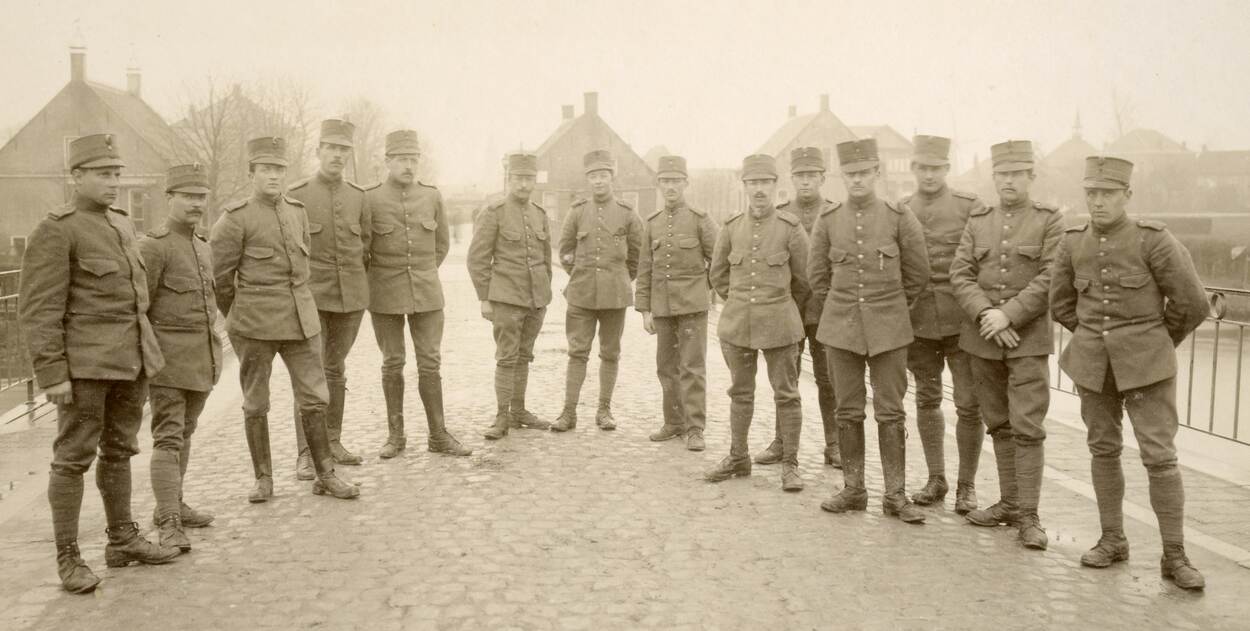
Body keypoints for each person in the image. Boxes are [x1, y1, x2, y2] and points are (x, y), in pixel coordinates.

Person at [19, 133, 178, 593]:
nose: (113, 182)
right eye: (103, 174)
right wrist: (52, 373)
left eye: (116, 173)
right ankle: (68, 558)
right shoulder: (57, 229)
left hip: (131, 362)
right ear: (77, 177)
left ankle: (122, 538)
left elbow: (136, 299)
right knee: (72, 460)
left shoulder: (123, 225)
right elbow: (39, 309)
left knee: (121, 450)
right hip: (85, 369)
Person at [1051, 155, 1209, 589]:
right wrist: (1093, 343)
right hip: (1093, 367)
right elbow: (1061, 304)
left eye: (1107, 194)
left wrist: (1154, 344)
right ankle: (1112, 539)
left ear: (1127, 196)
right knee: (1103, 449)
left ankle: (1174, 556)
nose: (1098, 202)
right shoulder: (1072, 242)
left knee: (1160, 458)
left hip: (1148, 369)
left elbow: (1193, 303)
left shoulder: (1154, 241)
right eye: (1092, 193)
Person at [210, 136, 360, 502]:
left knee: (315, 397)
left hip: (301, 322)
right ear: (252, 174)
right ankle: (263, 479)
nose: (274, 176)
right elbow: (221, 281)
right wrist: (241, 317)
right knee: (256, 402)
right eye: (266, 170)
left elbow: (302, 268)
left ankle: (325, 473)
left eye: (279, 169)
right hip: (255, 326)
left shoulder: (296, 210)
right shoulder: (235, 219)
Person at [950, 139, 1063, 549]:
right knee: (998, 423)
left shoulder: (1050, 220)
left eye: (1016, 174)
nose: (1008, 181)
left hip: (1028, 341)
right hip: (983, 341)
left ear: (1031, 177)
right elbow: (959, 274)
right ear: (993, 177)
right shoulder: (979, 219)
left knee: (1027, 427)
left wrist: (1009, 314)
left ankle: (1029, 516)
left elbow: (1052, 276)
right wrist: (987, 315)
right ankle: (1010, 502)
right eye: (1002, 174)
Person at [810, 139, 929, 523]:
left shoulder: (899, 217)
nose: (857, 180)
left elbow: (917, 274)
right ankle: (854, 489)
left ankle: (895, 495)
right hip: (841, 330)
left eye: (864, 173)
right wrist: (847, 310)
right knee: (847, 409)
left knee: (890, 412)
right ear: (841, 176)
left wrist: (889, 310)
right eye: (851, 174)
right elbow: (818, 278)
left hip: (889, 332)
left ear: (877, 173)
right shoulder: (828, 221)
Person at [704, 154, 809, 492]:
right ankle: (738, 457)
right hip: (738, 326)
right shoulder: (732, 227)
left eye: (765, 182)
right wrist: (738, 303)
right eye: (753, 183)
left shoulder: (791, 228)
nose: (759, 189)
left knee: (787, 395)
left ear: (775, 186)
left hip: (780, 324)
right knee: (740, 393)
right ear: (745, 186)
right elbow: (718, 275)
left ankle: (790, 464)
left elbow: (806, 281)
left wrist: (781, 306)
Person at [365, 130, 472, 458]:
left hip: (426, 294)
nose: (409, 166)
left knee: (430, 362)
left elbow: (440, 245)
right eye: (401, 160)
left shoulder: (431, 196)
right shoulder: (370, 198)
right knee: (392, 362)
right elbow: (364, 250)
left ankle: (438, 435)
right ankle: (396, 436)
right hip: (385, 295)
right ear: (387, 162)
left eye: (413, 160)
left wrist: (422, 273)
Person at [138, 163, 224, 551]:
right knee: (169, 437)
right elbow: (139, 308)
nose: (196, 204)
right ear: (169, 198)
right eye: (188, 196)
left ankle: (172, 504)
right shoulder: (153, 247)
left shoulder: (203, 247)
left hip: (202, 361)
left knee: (185, 433)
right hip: (168, 364)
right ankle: (169, 521)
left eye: (201, 197)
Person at [900, 135, 985, 513]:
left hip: (963, 321)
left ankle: (967, 486)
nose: (929, 174)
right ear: (913, 168)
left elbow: (982, 261)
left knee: (969, 403)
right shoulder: (901, 209)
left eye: (936, 168)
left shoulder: (970, 207)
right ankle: (937, 478)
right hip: (919, 322)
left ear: (947, 169)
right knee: (927, 399)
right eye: (923, 167)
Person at [285, 118, 372, 476]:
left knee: (336, 371)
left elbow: (367, 246)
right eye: (331, 149)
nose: (337, 155)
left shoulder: (358, 196)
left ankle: (332, 441)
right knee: (311, 375)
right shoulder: (298, 195)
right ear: (318, 151)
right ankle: (306, 451)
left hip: (350, 299)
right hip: (312, 299)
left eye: (343, 150)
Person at [756, 147, 840, 468]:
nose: (805, 182)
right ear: (792, 179)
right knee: (785, 379)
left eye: (811, 176)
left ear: (822, 178)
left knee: (828, 379)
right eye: (800, 176)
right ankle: (782, 443)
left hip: (824, 311)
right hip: (788, 309)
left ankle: (834, 445)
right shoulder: (779, 213)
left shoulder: (835, 212)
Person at [550, 149, 643, 432]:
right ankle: (568, 413)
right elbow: (565, 251)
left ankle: (604, 411)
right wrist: (581, 275)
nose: (598, 181)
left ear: (612, 177)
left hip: (615, 295)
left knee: (610, 353)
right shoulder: (577, 212)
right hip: (581, 294)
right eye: (593, 176)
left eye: (603, 175)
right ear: (587, 180)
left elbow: (636, 257)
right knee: (577, 353)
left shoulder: (628, 214)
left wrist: (619, 279)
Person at [468, 152, 554, 439]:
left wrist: (543, 294)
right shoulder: (493, 212)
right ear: (509, 179)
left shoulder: (539, 214)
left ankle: (519, 411)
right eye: (518, 179)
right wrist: (485, 297)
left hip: (535, 300)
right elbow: (477, 259)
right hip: (506, 299)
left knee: (524, 356)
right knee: (506, 357)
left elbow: (545, 259)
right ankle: (501, 416)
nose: (524, 185)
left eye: (529, 179)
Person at [637, 155, 717, 452]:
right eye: (665, 181)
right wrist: (645, 309)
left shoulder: (700, 219)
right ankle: (673, 423)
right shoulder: (653, 223)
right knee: (665, 366)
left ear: (686, 183)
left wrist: (705, 289)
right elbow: (645, 268)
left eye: (675, 181)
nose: (670, 187)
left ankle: (695, 428)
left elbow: (719, 259)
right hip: (663, 308)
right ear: (658, 184)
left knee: (692, 367)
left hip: (693, 309)